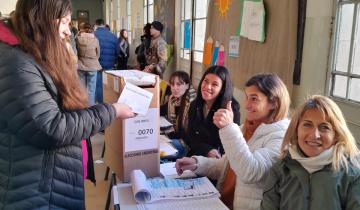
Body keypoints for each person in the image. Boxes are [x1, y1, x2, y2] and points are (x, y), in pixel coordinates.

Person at [0, 1, 135, 209]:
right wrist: (111, 110)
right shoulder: (17, 64)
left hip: (54, 181)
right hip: (38, 192)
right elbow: (52, 127)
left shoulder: (34, 53)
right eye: (63, 22)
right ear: (40, 18)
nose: (67, 31)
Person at [176, 74, 291, 210]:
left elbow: (250, 172)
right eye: (247, 97)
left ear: (274, 103)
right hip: (221, 202)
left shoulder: (281, 137)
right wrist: (196, 164)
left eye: (254, 99)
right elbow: (226, 167)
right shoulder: (247, 127)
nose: (246, 105)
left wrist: (228, 128)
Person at [261, 95, 360, 210]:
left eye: (324, 127)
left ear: (336, 134)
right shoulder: (280, 170)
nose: (315, 135)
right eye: (307, 125)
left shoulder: (352, 174)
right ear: (296, 129)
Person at [185, 65, 241, 158]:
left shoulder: (230, 109)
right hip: (196, 156)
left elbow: (233, 143)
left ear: (222, 89)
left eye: (214, 84)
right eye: (205, 81)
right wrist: (207, 150)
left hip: (218, 162)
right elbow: (190, 136)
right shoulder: (195, 104)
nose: (207, 87)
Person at [76, 22, 102, 105]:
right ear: (91, 29)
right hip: (92, 66)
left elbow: (75, 52)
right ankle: (90, 108)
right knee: (92, 89)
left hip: (80, 66)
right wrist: (94, 59)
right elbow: (98, 54)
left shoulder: (78, 38)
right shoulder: (95, 39)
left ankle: (81, 106)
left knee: (81, 88)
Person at [94, 18, 119, 103]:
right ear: (104, 25)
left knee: (98, 85)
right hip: (110, 65)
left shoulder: (94, 35)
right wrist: (115, 62)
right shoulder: (113, 36)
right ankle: (109, 101)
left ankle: (100, 103)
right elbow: (117, 51)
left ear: (96, 25)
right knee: (109, 85)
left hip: (98, 64)